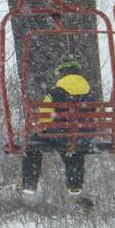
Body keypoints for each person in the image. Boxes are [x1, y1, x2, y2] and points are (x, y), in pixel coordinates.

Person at [18, 58, 96, 212]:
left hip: (58, 134)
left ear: (62, 74)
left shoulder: (55, 93)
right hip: (82, 136)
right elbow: (96, 115)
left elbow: (44, 115)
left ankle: (29, 183)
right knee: (74, 149)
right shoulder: (91, 93)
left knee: (32, 146)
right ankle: (75, 184)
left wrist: (47, 127)